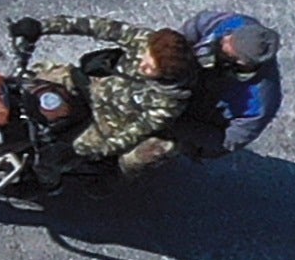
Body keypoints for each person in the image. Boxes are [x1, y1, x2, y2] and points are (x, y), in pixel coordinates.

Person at [14, 18, 223, 177]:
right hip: (92, 86)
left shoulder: (169, 102)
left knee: (55, 158)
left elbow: (132, 134)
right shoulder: (145, 42)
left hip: (107, 123)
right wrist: (43, 27)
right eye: (145, 57)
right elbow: (98, 27)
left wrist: (84, 152)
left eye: (151, 68)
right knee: (35, 81)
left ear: (166, 75)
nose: (142, 64)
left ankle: (44, 182)